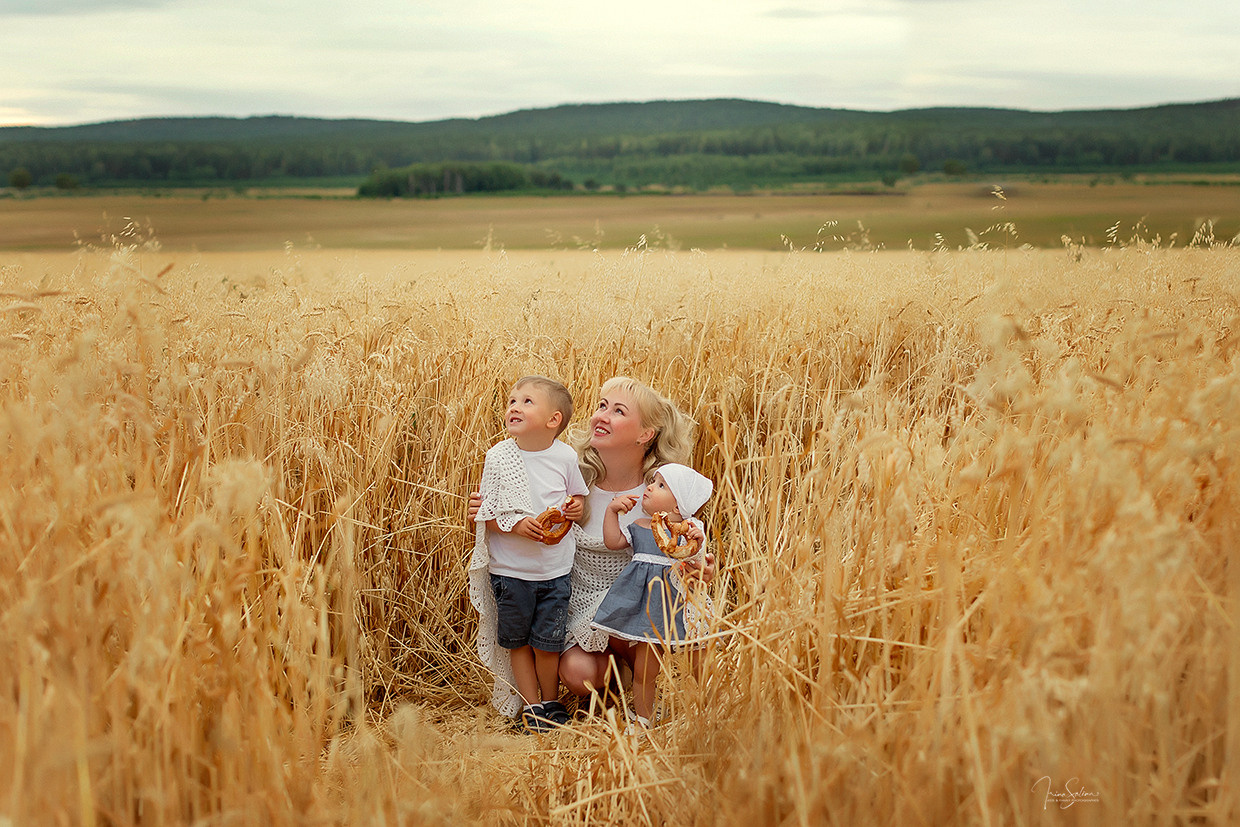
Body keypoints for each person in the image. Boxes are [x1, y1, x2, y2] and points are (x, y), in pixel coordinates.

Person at [471, 376, 716, 712]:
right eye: (602, 406)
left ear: (645, 434)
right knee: (577, 674)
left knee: (673, 636)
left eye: (618, 411)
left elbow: (684, 545)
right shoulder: (572, 477)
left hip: (641, 613)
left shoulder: (660, 490)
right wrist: (486, 509)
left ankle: (657, 686)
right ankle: (617, 681)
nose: (601, 415)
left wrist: (699, 569)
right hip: (586, 611)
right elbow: (519, 506)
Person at [467, 376, 588, 733]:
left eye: (526, 401)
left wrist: (575, 508)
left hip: (554, 571)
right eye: (512, 401)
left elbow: (577, 499)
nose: (514, 407)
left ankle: (551, 702)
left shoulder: (565, 457)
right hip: (511, 572)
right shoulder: (499, 458)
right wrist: (516, 525)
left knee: (548, 644)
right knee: (518, 642)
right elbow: (485, 515)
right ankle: (531, 706)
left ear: (553, 420)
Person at [591, 463, 713, 729]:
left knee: (699, 663)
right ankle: (643, 719)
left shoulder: (691, 531)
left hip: (682, 607)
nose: (649, 487)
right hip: (649, 610)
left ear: (678, 506)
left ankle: (711, 711)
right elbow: (613, 542)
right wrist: (611, 511)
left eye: (660, 485)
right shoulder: (639, 526)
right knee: (645, 669)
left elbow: (702, 565)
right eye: (652, 482)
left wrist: (698, 544)